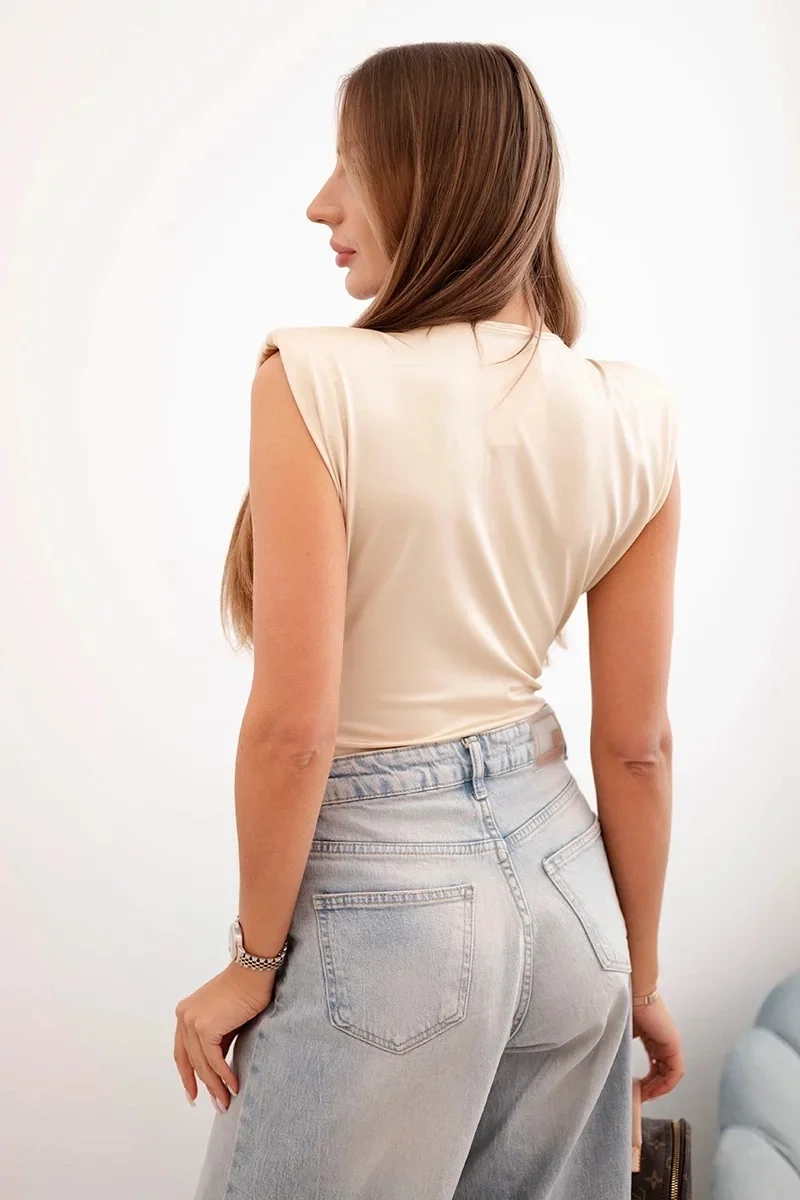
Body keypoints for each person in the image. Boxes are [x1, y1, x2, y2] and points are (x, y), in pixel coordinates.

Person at [175, 40, 685, 1200]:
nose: (320, 204)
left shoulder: (312, 380)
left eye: (348, 165)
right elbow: (636, 748)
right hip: (571, 896)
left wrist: (252, 960)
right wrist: (639, 977)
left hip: (389, 907)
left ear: (428, 176)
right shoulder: (632, 413)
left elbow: (294, 731)